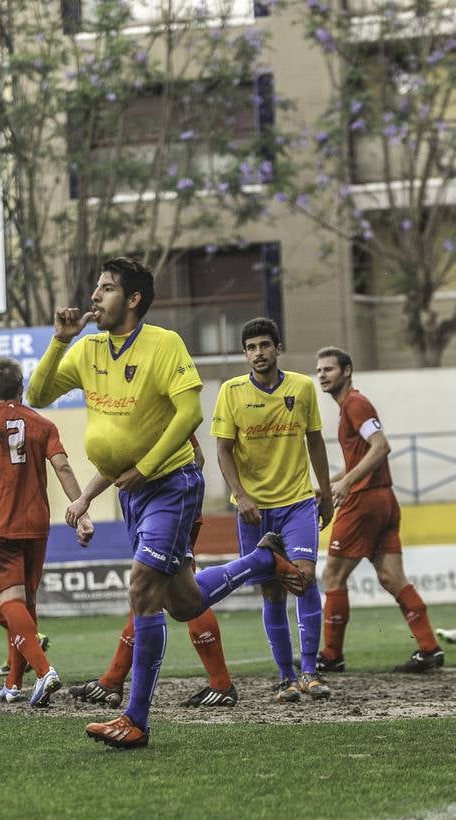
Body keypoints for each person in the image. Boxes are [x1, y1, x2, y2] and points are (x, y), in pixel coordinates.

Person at [27, 256, 305, 750]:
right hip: (132, 493)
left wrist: (146, 467)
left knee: (142, 588)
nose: (94, 297)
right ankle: (263, 560)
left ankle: (136, 719)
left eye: (106, 288)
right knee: (185, 603)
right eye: (97, 288)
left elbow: (189, 414)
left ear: (133, 299)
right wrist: (60, 340)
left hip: (172, 484)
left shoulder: (164, 343)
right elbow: (38, 393)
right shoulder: (87, 348)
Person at [0, 357, 90, 707]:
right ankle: (13, 684)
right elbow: (63, 467)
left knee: (10, 604)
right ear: (21, 387)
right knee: (26, 604)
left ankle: (44, 671)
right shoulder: (43, 424)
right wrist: (82, 511)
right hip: (36, 525)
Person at [210, 317, 334, 704]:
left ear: (278, 348)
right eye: (251, 347)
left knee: (304, 578)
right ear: (245, 353)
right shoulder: (230, 391)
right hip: (254, 510)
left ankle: (310, 671)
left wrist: (326, 492)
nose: (258, 353)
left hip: (297, 502)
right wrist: (240, 495)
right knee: (272, 591)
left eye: (264, 345)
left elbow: (315, 441)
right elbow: (223, 450)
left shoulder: (302, 387)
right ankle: (286, 677)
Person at [69, 434, 238, 709]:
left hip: (167, 510)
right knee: (149, 591)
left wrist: (179, 504)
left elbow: (197, 457)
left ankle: (220, 684)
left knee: (171, 593)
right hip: (154, 510)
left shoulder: (162, 415)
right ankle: (113, 681)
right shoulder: (136, 417)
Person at [315, 347, 443, 673]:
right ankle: (429, 648)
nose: (322, 375)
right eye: (319, 370)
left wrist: (347, 484)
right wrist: (328, 486)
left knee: (333, 575)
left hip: (364, 501)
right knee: (391, 577)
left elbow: (381, 446)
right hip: (384, 499)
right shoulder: (351, 406)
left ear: (347, 371)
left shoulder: (354, 403)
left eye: (329, 369)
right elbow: (361, 459)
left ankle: (331, 656)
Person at [0, 402, 51, 679]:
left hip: (1, 534)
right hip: (4, 528)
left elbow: (2, 495)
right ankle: (20, 660)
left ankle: (30, 645)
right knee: (7, 599)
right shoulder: (0, 444)